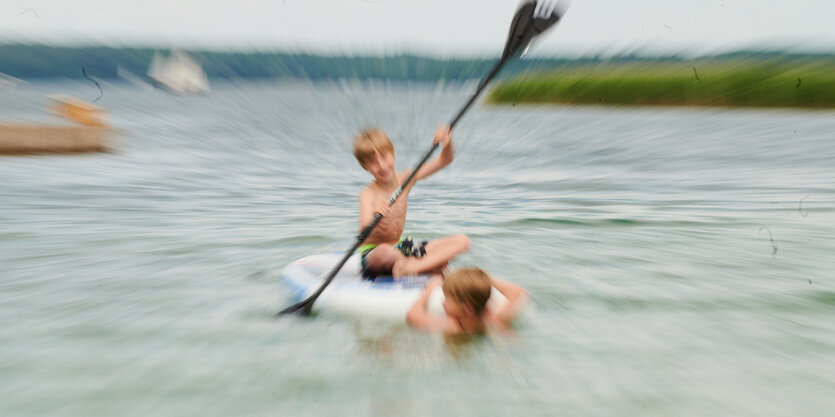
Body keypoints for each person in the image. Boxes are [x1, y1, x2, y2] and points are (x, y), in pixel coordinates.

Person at [354, 124, 470, 279]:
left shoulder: (407, 178)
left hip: (402, 248)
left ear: (393, 153)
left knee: (462, 241)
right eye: (373, 162)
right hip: (374, 253)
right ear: (365, 166)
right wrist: (375, 212)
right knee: (385, 252)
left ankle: (413, 267)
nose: (382, 165)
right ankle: (427, 266)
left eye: (384, 156)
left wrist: (447, 143)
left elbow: (445, 160)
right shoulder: (368, 193)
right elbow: (363, 228)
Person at [406, 267, 528, 334]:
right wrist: (480, 280)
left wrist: (429, 289)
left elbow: (413, 314)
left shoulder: (455, 327)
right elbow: (519, 293)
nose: (443, 303)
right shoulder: (494, 319)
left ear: (467, 309)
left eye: (447, 301)